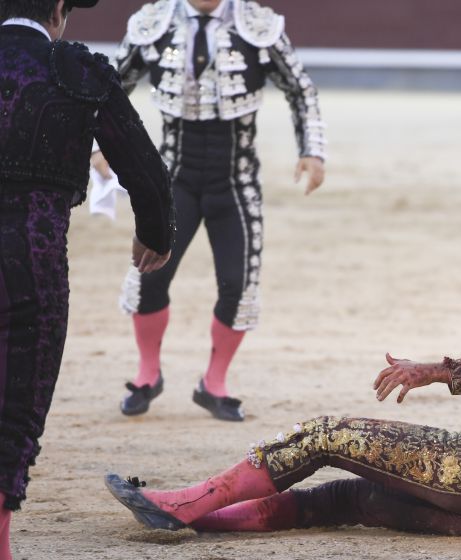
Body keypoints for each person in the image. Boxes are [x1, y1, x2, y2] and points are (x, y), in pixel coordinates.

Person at [104, 231, 461, 537]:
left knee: (325, 434)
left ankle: (190, 503)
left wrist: (435, 370)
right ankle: (199, 519)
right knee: (347, 500)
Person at [0, 0, 175, 560]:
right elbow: (143, 165)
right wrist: (155, 229)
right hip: (32, 257)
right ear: (57, 10)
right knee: (14, 406)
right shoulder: (75, 68)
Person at [94, 0, 327, 422]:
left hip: (235, 183)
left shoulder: (258, 25)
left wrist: (313, 151)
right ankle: (148, 376)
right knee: (150, 275)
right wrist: (98, 144)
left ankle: (214, 383)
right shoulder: (154, 23)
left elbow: (301, 88)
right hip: (171, 181)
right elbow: (109, 88)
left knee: (237, 286)